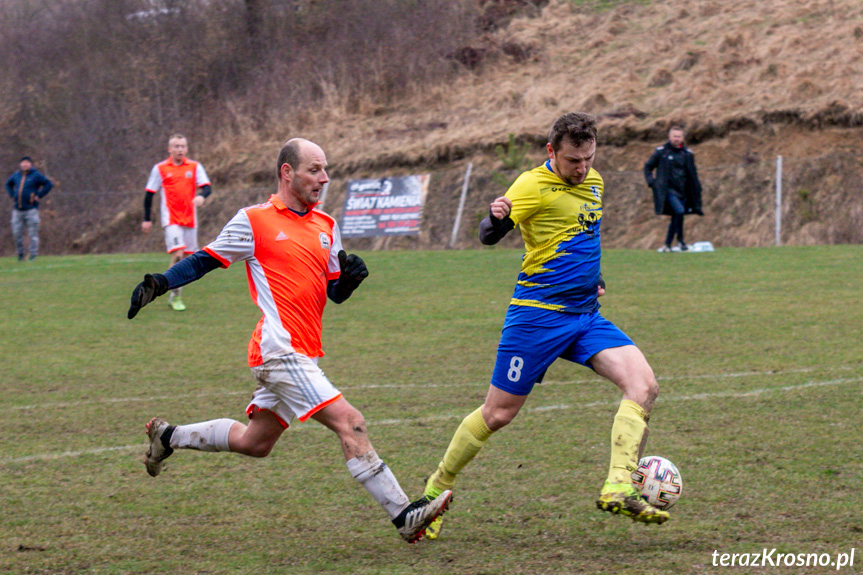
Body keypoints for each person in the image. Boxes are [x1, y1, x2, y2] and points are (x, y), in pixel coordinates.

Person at [127, 138, 451, 543]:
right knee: (351, 423)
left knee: (255, 442)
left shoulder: (326, 226)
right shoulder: (254, 220)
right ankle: (404, 514)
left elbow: (335, 292)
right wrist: (160, 283)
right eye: (314, 169)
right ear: (287, 172)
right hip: (278, 351)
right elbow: (206, 259)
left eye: (325, 169)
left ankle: (168, 436)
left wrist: (350, 279)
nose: (324, 177)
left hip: (305, 353)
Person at [420, 112, 668, 541]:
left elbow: (582, 236)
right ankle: (435, 489)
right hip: (536, 317)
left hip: (585, 316)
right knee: (498, 413)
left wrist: (596, 279)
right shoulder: (531, 185)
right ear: (551, 151)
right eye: (573, 160)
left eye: (588, 158)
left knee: (644, 384)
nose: (582, 168)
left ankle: (618, 486)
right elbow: (488, 234)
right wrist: (496, 219)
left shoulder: (595, 183)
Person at [141, 134, 212, 311]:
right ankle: (165, 288)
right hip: (171, 220)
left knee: (186, 261)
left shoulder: (195, 167)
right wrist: (147, 219)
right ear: (169, 149)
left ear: (186, 149)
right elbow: (149, 194)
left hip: (190, 221)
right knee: (178, 254)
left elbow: (207, 187)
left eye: (182, 146)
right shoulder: (160, 169)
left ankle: (174, 294)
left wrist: (202, 197)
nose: (180, 149)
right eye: (176, 146)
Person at [643, 126, 703, 252]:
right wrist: (652, 182)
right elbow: (648, 167)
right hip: (668, 190)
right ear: (669, 137)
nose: (676, 139)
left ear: (683, 138)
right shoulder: (661, 152)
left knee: (678, 215)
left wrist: (696, 190)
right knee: (679, 211)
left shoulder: (687, 154)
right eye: (674, 136)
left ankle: (678, 243)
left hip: (683, 191)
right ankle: (670, 243)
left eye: (679, 136)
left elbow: (693, 174)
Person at [5, 156, 53, 261]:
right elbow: (8, 184)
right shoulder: (16, 175)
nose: (24, 164)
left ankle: (32, 255)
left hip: (31, 209)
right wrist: (12, 194)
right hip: (17, 210)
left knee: (33, 234)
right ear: (20, 164)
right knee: (16, 233)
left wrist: (39, 195)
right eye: (23, 163)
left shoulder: (36, 175)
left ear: (30, 164)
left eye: (27, 163)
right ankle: (21, 255)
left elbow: (49, 184)